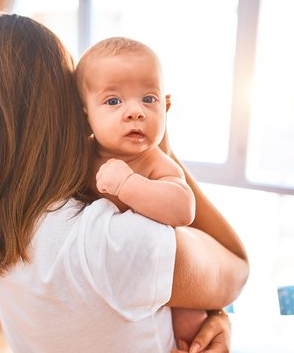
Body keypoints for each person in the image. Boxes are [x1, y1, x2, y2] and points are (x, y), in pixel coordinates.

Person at [0, 13, 249, 353]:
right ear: (71, 108)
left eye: (147, 99)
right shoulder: (106, 241)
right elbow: (235, 268)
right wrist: (158, 147)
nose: (131, 111)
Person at [75, 37, 207, 346]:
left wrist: (128, 185)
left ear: (167, 105)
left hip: (166, 280)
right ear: (85, 115)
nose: (136, 112)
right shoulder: (79, 156)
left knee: (194, 320)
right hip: (106, 288)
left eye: (149, 99)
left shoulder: (157, 164)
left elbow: (183, 208)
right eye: (113, 101)